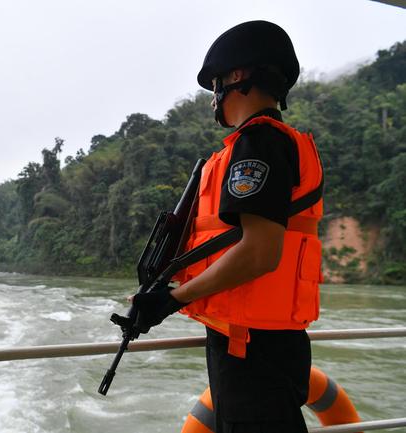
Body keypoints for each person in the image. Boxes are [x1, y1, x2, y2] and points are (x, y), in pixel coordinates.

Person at [130, 20, 324, 433]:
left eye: (215, 82)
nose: (213, 95)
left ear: (236, 77)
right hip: (256, 339)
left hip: (254, 348)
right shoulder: (269, 143)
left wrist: (173, 299)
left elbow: (259, 252)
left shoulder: (258, 144)